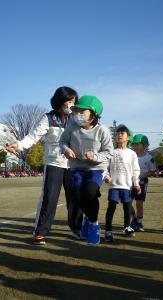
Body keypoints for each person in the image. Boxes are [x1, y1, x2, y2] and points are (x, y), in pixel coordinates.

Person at [5, 86, 83, 245]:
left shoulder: (76, 119)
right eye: (68, 101)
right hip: (54, 163)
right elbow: (33, 137)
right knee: (49, 198)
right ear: (60, 101)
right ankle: (40, 231)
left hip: (73, 164)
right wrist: (18, 145)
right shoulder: (48, 118)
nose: (71, 104)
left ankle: (77, 229)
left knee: (75, 198)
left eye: (74, 101)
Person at [59, 95, 113, 245]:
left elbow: (109, 152)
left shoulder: (102, 130)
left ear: (94, 114)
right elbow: (62, 141)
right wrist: (66, 149)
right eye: (77, 111)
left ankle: (94, 225)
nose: (78, 114)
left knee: (89, 193)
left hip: (96, 169)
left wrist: (94, 156)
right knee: (76, 195)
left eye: (83, 111)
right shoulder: (72, 128)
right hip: (77, 168)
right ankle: (88, 221)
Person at [103, 125, 140, 242]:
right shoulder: (111, 152)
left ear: (128, 137)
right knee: (111, 207)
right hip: (114, 185)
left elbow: (135, 170)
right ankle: (108, 230)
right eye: (117, 133)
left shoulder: (132, 153)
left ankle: (127, 227)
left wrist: (136, 184)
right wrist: (107, 176)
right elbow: (105, 167)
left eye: (122, 133)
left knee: (127, 208)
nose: (119, 135)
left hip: (127, 186)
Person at [130, 134, 156, 232]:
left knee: (139, 203)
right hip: (130, 182)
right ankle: (134, 217)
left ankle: (139, 222)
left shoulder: (149, 158)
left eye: (138, 144)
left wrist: (143, 175)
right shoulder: (130, 155)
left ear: (144, 145)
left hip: (141, 182)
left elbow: (153, 170)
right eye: (134, 144)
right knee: (127, 202)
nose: (135, 146)